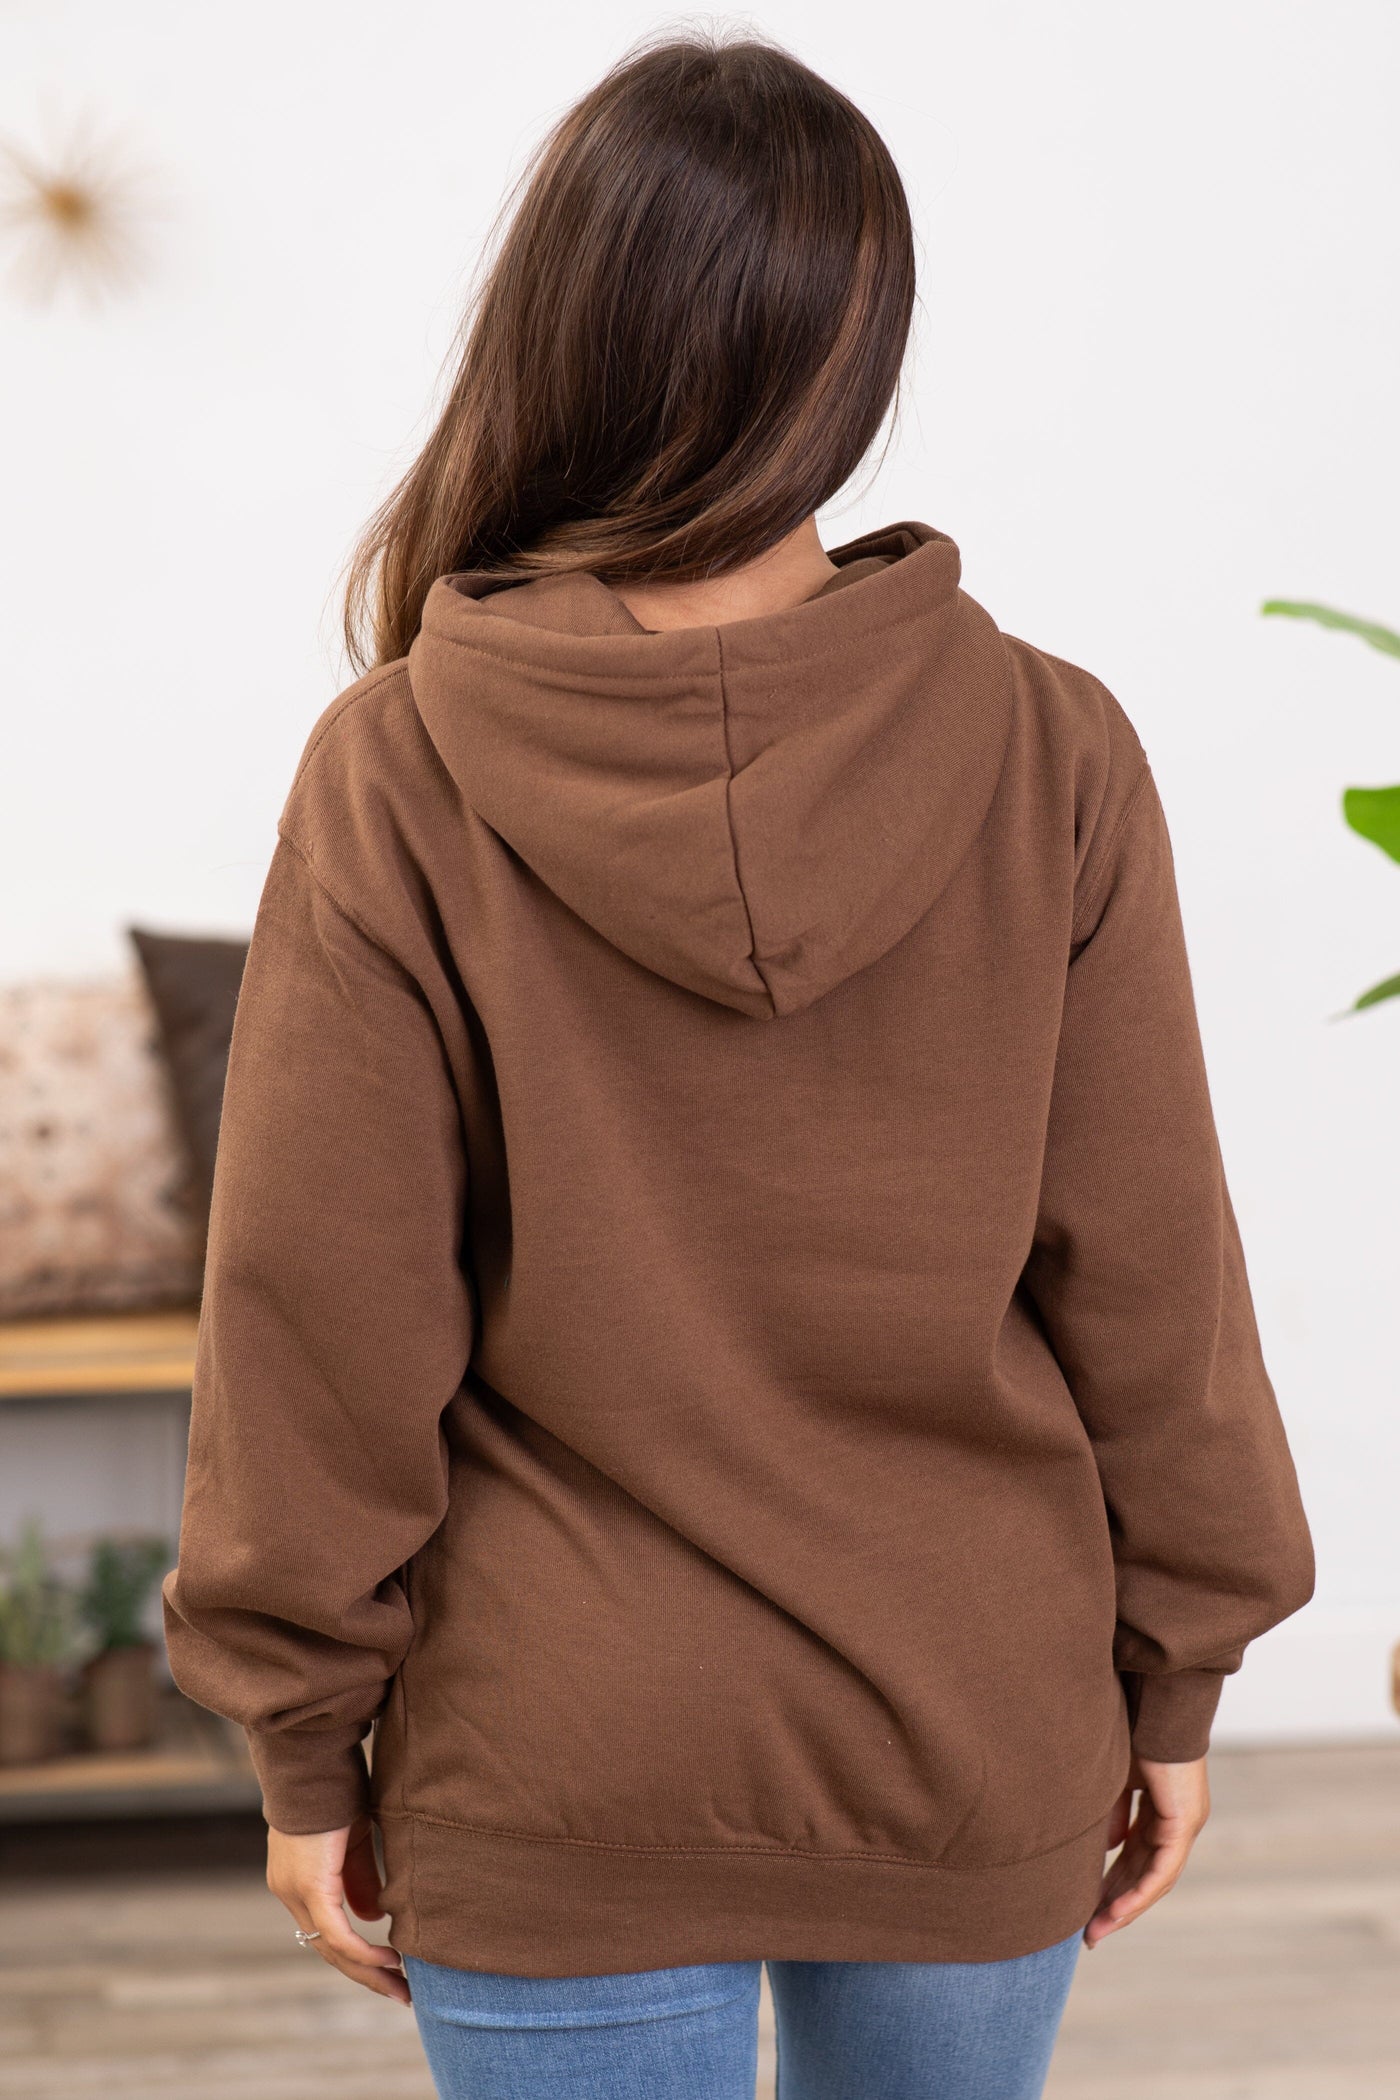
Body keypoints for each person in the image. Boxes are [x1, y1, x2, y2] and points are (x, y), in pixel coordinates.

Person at [161, 29, 1315, 2100]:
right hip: (968, 1713)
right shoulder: (1053, 749)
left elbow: (322, 1309)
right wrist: (1177, 1675)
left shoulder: (400, 766)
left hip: (553, 1741)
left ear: (557, 334)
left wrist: (300, 1725)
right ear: (854, 354)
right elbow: (1152, 1273)